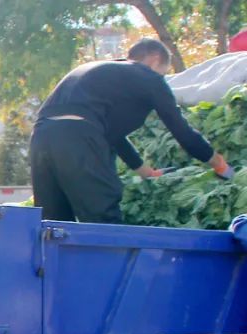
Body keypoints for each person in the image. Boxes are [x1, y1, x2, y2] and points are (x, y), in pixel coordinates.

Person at [30, 38, 232, 223]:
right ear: (155, 59)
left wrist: (146, 172)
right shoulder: (149, 77)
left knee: (52, 224)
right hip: (79, 137)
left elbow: (112, 135)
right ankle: (109, 262)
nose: (163, 78)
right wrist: (219, 164)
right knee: (102, 218)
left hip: (41, 137)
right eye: (164, 72)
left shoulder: (105, 73)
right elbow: (181, 130)